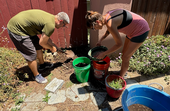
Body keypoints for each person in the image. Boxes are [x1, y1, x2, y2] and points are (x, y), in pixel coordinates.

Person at [7, 9, 70, 83]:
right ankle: (36, 75)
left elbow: (46, 38)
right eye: (64, 25)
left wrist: (54, 46)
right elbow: (42, 43)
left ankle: (42, 65)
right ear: (61, 21)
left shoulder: (50, 18)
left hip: (27, 29)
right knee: (32, 54)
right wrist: (51, 48)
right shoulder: (50, 25)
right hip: (17, 30)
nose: (63, 26)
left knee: (38, 47)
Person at [85, 9, 150, 77]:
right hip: (132, 30)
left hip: (141, 31)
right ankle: (124, 72)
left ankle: (120, 78)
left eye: (93, 28)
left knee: (125, 57)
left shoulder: (110, 23)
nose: (95, 29)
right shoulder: (107, 16)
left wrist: (104, 53)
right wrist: (100, 40)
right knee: (124, 54)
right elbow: (109, 30)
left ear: (97, 22)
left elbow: (119, 44)